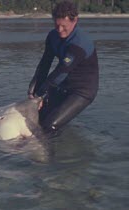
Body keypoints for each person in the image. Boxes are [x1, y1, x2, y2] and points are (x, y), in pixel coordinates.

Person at [27, 0, 99, 134]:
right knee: (39, 119)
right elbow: (45, 64)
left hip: (82, 91)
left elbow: (61, 72)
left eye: (64, 26)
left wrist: (40, 95)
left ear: (75, 20)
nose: (59, 30)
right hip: (63, 86)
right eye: (56, 25)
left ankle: (53, 154)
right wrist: (33, 88)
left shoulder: (80, 43)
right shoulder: (52, 36)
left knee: (50, 126)